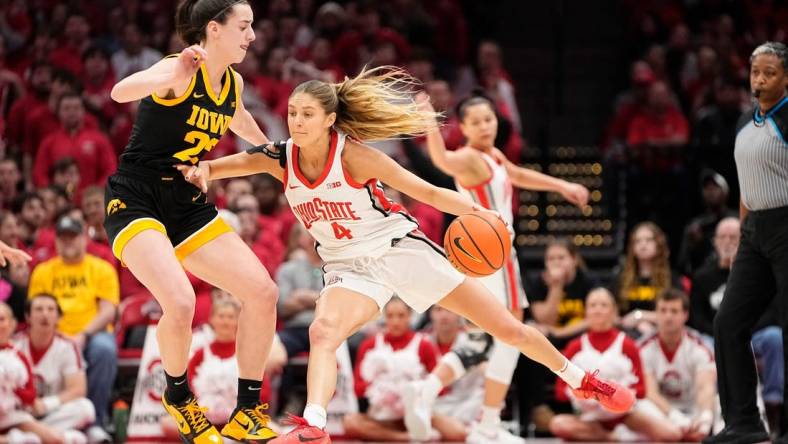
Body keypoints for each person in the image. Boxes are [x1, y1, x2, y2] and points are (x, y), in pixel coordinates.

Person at [179, 66, 635, 444]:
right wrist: (203, 170)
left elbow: (429, 192)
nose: (295, 122)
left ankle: (580, 378)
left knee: (507, 327)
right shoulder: (282, 157)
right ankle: (315, 424)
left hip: (398, 249)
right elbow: (230, 163)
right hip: (346, 264)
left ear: (329, 118)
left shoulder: (355, 156)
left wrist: (480, 211)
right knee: (323, 331)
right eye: (292, 113)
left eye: (306, 115)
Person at [105, 0, 281, 442]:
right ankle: (180, 398)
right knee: (180, 301)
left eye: (253, 27)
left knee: (263, 292)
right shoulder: (181, 67)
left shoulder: (233, 83)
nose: (252, 35)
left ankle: (247, 412)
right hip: (136, 195)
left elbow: (241, 123)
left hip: (186, 198)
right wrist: (171, 73)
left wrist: (278, 160)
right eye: (244, 26)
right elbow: (120, 93)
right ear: (214, 29)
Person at [412, 91, 588, 442]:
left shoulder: (491, 156)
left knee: (486, 338)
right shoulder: (469, 158)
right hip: (494, 255)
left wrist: (562, 185)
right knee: (513, 335)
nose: (484, 126)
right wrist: (429, 119)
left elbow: (517, 175)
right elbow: (442, 160)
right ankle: (487, 424)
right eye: (475, 121)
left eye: (488, 119)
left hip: (482, 257)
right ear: (462, 127)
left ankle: (430, 389)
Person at [704, 41, 788, 444]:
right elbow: (745, 184)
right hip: (754, 231)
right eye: (755, 71)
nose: (760, 79)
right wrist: (743, 232)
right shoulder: (742, 121)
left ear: (786, 78)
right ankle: (743, 422)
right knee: (728, 321)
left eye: (769, 72)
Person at [689, 217, 783, 436]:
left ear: (745, 240)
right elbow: (696, 317)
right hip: (715, 336)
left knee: (774, 337)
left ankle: (774, 409)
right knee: (712, 342)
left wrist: (743, 330)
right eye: (723, 237)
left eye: (734, 237)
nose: (728, 242)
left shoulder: (759, 272)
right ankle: (719, 419)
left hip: (755, 333)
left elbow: (771, 311)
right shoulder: (703, 276)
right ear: (714, 241)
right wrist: (727, 334)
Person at [549, 288, 682, 442]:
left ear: (614, 311)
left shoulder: (627, 345)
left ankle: (619, 434)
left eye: (603, 305)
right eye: (593, 305)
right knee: (558, 425)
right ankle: (611, 437)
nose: (598, 310)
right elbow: (560, 390)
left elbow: (641, 390)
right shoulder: (575, 347)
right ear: (586, 311)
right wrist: (585, 396)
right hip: (590, 416)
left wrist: (615, 394)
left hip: (625, 414)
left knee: (671, 434)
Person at [26, 216, 118, 433]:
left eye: (73, 237)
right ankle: (41, 420)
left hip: (91, 335)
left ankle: (95, 423)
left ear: (84, 239)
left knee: (105, 349)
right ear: (56, 241)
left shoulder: (101, 269)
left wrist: (83, 335)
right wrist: (56, 336)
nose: (68, 242)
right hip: (53, 334)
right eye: (63, 237)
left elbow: (108, 311)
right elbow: (38, 310)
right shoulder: (43, 271)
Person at [343, 297, 465, 442]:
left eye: (401, 316)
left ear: (410, 316)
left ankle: (414, 432)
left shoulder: (423, 344)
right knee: (350, 422)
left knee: (457, 431)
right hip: (381, 416)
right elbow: (357, 388)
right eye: (390, 316)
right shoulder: (369, 345)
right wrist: (380, 390)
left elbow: (442, 387)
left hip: (419, 414)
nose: (395, 321)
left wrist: (414, 390)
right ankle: (406, 438)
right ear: (384, 316)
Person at [13, 294, 96, 442]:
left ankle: (30, 437)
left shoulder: (68, 346)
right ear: (28, 316)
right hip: (21, 411)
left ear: (58, 317)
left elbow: (78, 390)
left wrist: (46, 404)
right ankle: (57, 437)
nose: (45, 314)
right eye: (39, 309)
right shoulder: (14, 345)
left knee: (86, 408)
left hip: (51, 411)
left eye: (51, 309)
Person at [639, 289, 718, 442]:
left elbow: (706, 387)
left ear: (685, 315)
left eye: (674, 311)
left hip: (694, 409)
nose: (668, 316)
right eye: (663, 310)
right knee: (641, 405)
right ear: (656, 314)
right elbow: (650, 391)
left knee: (719, 406)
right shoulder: (643, 348)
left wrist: (705, 416)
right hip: (662, 413)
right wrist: (673, 416)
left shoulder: (700, 347)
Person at [0, 302, 63, 444]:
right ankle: (10, 440)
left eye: (1, 319)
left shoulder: (18, 356)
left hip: (9, 415)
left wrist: (12, 388)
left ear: (11, 324)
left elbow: (30, 397)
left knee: (55, 438)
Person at [616, 222, 683, 338]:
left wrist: (641, 316)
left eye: (648, 240)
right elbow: (612, 314)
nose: (643, 245)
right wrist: (637, 324)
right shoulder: (621, 278)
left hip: (663, 334)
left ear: (659, 244)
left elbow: (680, 313)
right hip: (627, 335)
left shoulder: (672, 278)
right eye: (638, 241)